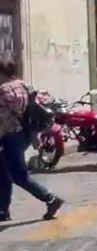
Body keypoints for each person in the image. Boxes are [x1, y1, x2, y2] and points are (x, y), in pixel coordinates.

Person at [0, 61, 64, 222]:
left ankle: (50, 199)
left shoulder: (4, 90)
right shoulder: (23, 85)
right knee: (3, 172)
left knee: (19, 175)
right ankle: (2, 210)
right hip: (24, 134)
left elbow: (5, 115)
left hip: (10, 136)